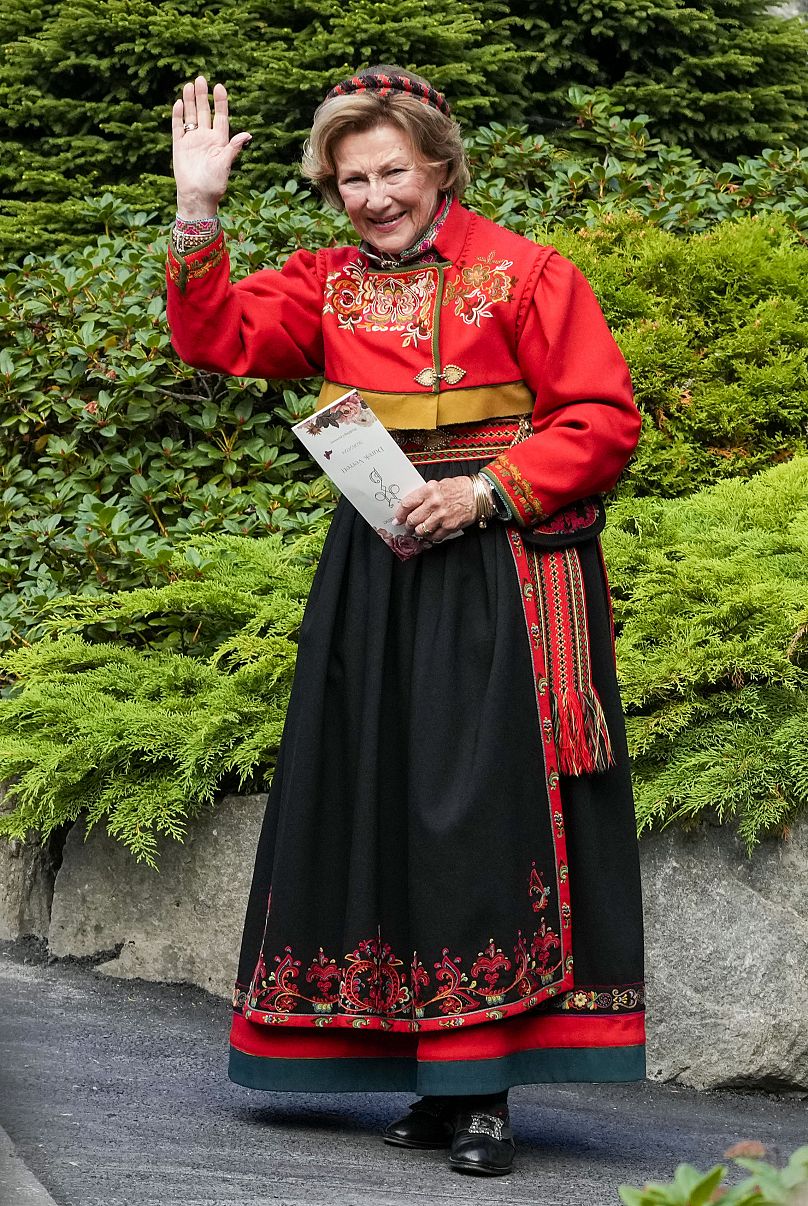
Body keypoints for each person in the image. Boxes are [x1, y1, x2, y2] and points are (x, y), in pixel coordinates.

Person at [166, 66, 645, 1178]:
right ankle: (432, 1083)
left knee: (477, 818)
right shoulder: (321, 284)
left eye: (390, 172)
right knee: (379, 801)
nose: (373, 197)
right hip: (372, 576)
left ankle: (481, 1095)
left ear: (439, 163)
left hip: (501, 574)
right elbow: (216, 337)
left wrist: (483, 491)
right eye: (349, 180)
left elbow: (603, 418)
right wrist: (198, 209)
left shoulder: (527, 272)